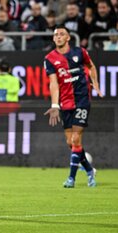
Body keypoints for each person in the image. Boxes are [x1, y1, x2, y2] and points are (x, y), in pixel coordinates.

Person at [44, 25, 103, 188]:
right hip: (65, 102)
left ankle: (71, 178)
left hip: (82, 99)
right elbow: (53, 83)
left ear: (68, 38)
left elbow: (91, 66)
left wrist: (95, 83)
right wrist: (55, 104)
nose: (58, 37)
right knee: (71, 142)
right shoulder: (49, 58)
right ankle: (90, 170)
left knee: (76, 138)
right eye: (56, 35)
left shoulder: (80, 52)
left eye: (62, 34)